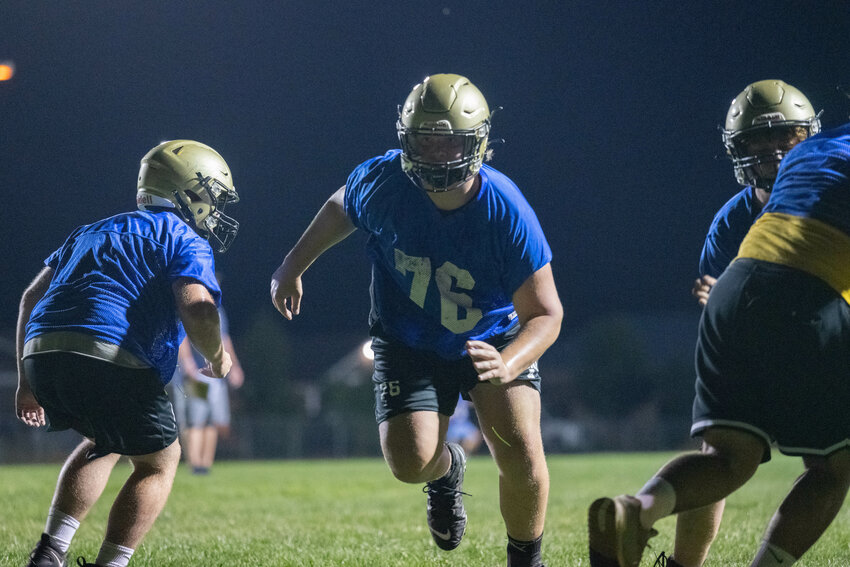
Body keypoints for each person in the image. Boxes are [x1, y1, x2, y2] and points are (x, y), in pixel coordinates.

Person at [270, 73, 562, 567]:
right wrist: (292, 265)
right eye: (422, 140)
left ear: (476, 143)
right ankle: (446, 473)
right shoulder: (384, 181)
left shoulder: (506, 210)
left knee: (520, 453)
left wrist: (510, 362)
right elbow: (343, 204)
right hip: (407, 339)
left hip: (489, 338)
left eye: (447, 141)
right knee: (409, 463)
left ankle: (525, 560)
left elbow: (546, 313)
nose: (433, 154)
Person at [588, 120, 850, 567]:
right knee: (833, 469)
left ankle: (637, 511)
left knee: (728, 457)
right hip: (808, 295)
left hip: (734, 286)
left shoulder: (818, 148)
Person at [16, 139, 240, 567]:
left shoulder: (89, 230)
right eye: (209, 196)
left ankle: (49, 552)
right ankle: (111, 564)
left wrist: (27, 382)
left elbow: (30, 297)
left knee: (103, 441)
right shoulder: (183, 237)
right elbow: (196, 305)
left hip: (43, 353)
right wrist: (216, 355)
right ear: (186, 193)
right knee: (160, 461)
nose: (213, 208)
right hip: (111, 356)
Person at [657, 81, 821, 567]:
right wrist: (725, 305)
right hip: (751, 355)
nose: (771, 150)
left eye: (785, 137)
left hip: (824, 344)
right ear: (738, 149)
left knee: (832, 461)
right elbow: (719, 321)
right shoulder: (731, 223)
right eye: (756, 140)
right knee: (720, 455)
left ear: (806, 138)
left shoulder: (831, 200)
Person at [177, 305, 244, 475]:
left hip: (217, 377)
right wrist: (187, 361)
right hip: (198, 374)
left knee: (214, 422)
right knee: (196, 421)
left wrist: (235, 366)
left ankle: (205, 465)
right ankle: (195, 465)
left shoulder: (219, 311)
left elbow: (225, 340)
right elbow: (182, 336)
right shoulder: (193, 306)